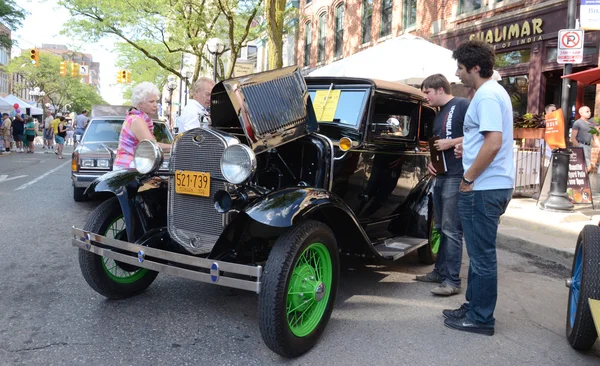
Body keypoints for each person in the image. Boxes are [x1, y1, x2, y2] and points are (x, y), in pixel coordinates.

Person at [443, 40, 514, 336]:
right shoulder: (493, 93)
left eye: (460, 67)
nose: (457, 74)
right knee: (478, 252)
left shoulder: (486, 95)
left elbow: (494, 142)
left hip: (483, 187)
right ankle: (473, 307)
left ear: (475, 67)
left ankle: (481, 318)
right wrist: (468, 150)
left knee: (482, 255)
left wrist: (469, 177)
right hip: (492, 184)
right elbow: (487, 140)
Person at [416, 74, 470, 296]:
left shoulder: (462, 105)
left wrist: (452, 142)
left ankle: (452, 281)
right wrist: (431, 162)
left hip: (457, 175)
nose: (425, 97)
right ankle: (439, 272)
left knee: (451, 229)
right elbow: (437, 145)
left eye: (427, 92)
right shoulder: (439, 115)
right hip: (441, 176)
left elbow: (480, 134)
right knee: (439, 228)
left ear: (439, 89)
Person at [114, 82, 171, 169]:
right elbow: (152, 146)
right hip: (129, 167)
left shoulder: (137, 118)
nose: (156, 105)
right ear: (140, 104)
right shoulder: (137, 120)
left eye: (156, 101)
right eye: (151, 101)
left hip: (132, 165)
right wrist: (176, 147)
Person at [570, 105, 596, 173]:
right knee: (588, 166)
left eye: (590, 111)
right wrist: (579, 146)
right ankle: (583, 179)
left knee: (586, 165)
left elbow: (595, 137)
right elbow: (572, 138)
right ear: (581, 113)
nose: (589, 113)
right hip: (581, 144)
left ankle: (582, 180)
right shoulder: (577, 123)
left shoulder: (591, 124)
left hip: (588, 145)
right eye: (587, 111)